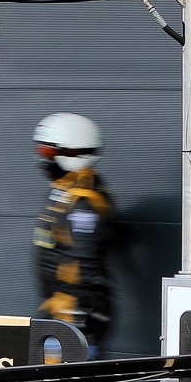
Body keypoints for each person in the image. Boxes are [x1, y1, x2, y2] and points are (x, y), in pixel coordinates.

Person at [32, 112, 115, 362]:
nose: (42, 159)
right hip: (60, 307)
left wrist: (72, 312)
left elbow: (85, 262)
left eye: (48, 153)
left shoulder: (83, 203)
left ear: (72, 153)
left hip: (74, 311)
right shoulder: (65, 191)